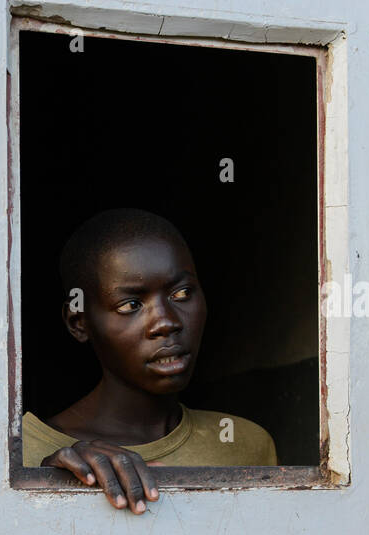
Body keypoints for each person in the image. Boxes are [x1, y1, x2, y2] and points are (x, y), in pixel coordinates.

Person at [23, 209, 276, 512]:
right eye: (131, 305)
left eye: (181, 293)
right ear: (79, 323)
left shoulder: (244, 444)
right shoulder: (19, 455)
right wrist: (50, 482)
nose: (166, 322)